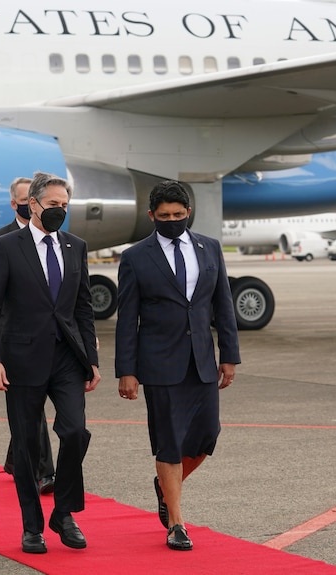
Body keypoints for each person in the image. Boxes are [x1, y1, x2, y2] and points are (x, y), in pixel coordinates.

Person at [0, 171, 100, 554]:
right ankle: (32, 527)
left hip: (66, 357)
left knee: (76, 432)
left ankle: (63, 513)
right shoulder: (6, 246)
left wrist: (91, 360)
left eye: (65, 205)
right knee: (28, 449)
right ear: (32, 205)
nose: (60, 211)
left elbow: (83, 307)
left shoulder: (75, 246)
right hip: (21, 360)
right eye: (53, 205)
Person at [114, 180, 240, 552]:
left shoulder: (210, 248)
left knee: (206, 437)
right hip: (159, 363)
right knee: (169, 442)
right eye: (164, 216)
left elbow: (223, 306)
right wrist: (127, 369)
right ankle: (176, 523)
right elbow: (127, 319)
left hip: (201, 360)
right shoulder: (136, 256)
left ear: (188, 213)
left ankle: (164, 486)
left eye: (178, 214)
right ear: (152, 216)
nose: (172, 220)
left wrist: (229, 355)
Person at [0, 176, 55, 495]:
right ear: (16, 202)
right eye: (22, 198)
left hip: (50, 339)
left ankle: (16, 461)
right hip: (13, 340)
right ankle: (46, 471)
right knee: (32, 408)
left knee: (28, 408)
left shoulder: (57, 238)